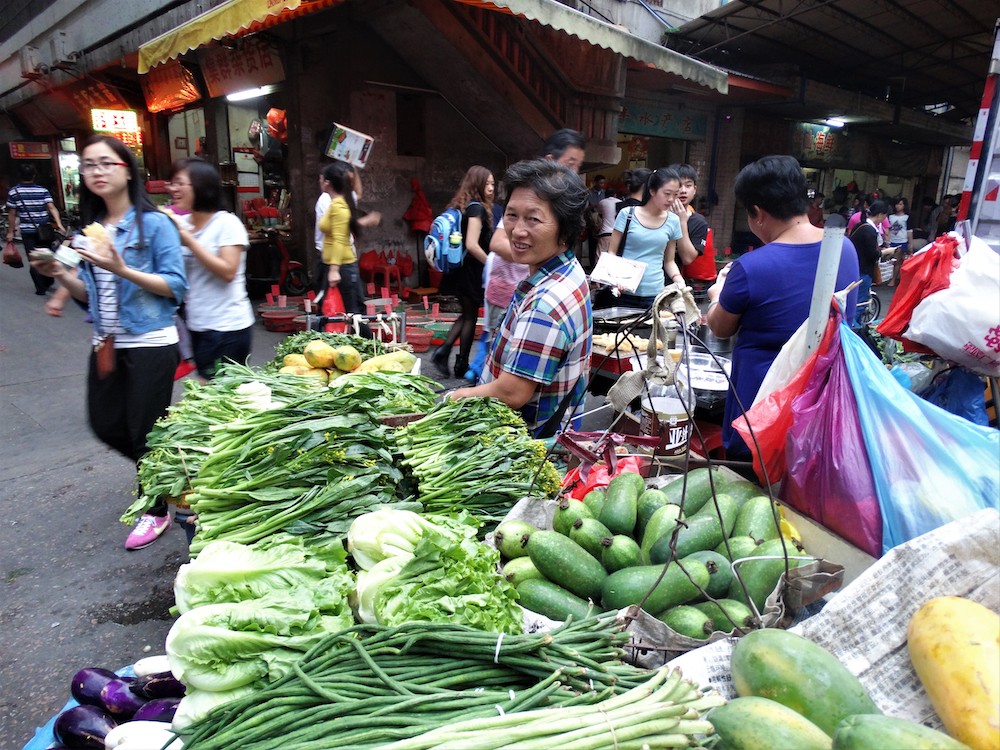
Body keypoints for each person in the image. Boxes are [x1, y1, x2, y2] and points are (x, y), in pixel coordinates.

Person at [30, 135, 187, 550]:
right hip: (106, 342)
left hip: (151, 341)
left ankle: (154, 509)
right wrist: (59, 275)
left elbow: (175, 286)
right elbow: (88, 291)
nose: (96, 172)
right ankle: (177, 470)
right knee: (105, 424)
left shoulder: (155, 224)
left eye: (105, 163)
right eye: (88, 165)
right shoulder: (88, 230)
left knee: (143, 432)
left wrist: (122, 267)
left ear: (126, 170)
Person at [706, 155, 858, 460]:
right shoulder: (844, 248)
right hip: (824, 397)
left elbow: (720, 327)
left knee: (753, 486)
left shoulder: (751, 267)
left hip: (762, 404)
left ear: (758, 214)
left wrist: (716, 294)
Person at [451, 159, 592, 437]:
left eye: (534, 219)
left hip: (528, 442)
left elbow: (512, 393)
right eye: (512, 215)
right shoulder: (566, 269)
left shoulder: (546, 304)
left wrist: (455, 397)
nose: (517, 230)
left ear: (565, 229)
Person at [164, 157, 254, 380]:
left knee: (227, 396)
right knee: (208, 390)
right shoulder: (181, 224)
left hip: (229, 327)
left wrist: (189, 241)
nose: (172, 189)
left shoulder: (227, 224)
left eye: (179, 183)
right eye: (171, 183)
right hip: (197, 324)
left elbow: (227, 271)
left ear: (201, 185)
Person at [431, 166, 495, 379]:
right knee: (470, 317)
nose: (492, 188)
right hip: (470, 270)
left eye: (493, 184)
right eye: (487, 183)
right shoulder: (476, 209)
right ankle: (457, 361)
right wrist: (492, 264)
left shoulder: (464, 206)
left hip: (464, 270)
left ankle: (449, 355)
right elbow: (472, 244)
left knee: (468, 315)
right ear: (477, 183)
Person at [489, 128, 585, 263]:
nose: (517, 231)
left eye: (533, 219)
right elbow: (497, 243)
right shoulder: (526, 198)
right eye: (570, 165)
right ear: (549, 161)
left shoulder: (557, 280)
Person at [606, 167, 683, 309]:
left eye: (675, 194)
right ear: (652, 191)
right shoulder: (626, 214)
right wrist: (615, 278)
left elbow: (669, 261)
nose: (671, 199)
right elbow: (611, 253)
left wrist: (678, 279)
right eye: (667, 194)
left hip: (655, 294)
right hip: (624, 291)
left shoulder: (673, 221)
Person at [318, 161, 371, 335]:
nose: (320, 181)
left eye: (322, 178)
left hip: (343, 266)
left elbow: (341, 239)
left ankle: (370, 345)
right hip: (333, 264)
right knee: (334, 310)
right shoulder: (335, 204)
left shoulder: (339, 206)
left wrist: (334, 270)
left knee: (353, 312)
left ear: (328, 183)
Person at [6, 162, 67, 296]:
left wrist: (11, 231)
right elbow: (52, 208)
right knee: (47, 256)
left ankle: (40, 287)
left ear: (19, 175)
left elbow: (12, 213)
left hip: (28, 231)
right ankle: (48, 280)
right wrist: (59, 224)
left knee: (33, 258)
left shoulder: (14, 192)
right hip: (44, 230)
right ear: (34, 175)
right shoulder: (42, 190)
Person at [851, 199, 890, 326]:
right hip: (863, 271)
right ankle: (853, 331)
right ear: (880, 215)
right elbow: (872, 254)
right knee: (859, 304)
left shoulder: (860, 226)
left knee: (852, 302)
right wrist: (886, 252)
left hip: (854, 269)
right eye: (884, 216)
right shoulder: (870, 231)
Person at [668, 163, 711, 280]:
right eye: (679, 185)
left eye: (688, 186)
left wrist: (681, 221)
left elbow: (687, 258)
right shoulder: (657, 214)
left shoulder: (699, 222)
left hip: (672, 283)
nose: (683, 191)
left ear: (694, 190)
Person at [886, 196, 913, 287]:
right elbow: (887, 230)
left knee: (897, 261)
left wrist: (910, 243)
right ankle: (890, 278)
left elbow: (909, 231)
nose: (898, 206)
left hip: (902, 241)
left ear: (904, 206)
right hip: (891, 241)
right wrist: (887, 240)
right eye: (897, 204)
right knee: (890, 261)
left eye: (900, 204)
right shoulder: (890, 217)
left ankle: (893, 279)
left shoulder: (907, 217)